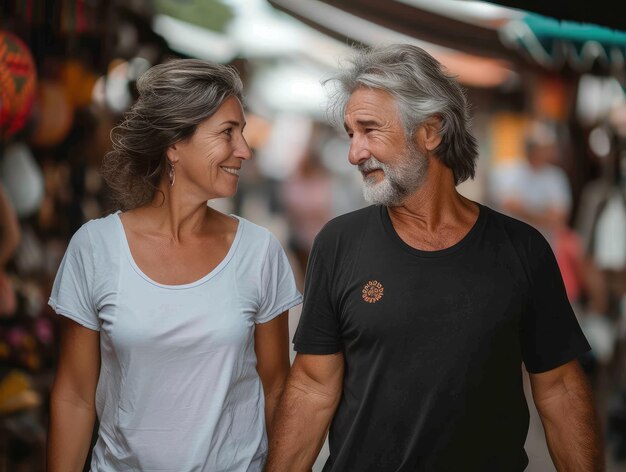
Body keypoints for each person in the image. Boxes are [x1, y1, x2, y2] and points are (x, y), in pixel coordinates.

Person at [266, 44, 603, 471]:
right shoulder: (339, 243)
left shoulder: (523, 249)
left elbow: (559, 390)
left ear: (431, 131)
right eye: (351, 134)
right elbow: (313, 387)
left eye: (370, 130)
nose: (355, 152)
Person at [47, 59, 302, 471]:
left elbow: (276, 390)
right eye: (227, 133)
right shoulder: (95, 248)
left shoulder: (259, 253)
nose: (245, 150)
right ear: (173, 144)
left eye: (242, 131)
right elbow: (75, 396)